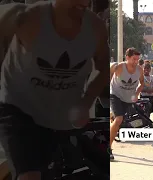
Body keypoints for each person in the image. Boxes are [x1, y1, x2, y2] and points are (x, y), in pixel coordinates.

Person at [0, 1, 109, 180]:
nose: (84, 2)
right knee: (30, 174)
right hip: (16, 107)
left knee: (48, 171)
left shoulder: (95, 28)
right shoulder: (27, 19)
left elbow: (104, 68)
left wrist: (86, 101)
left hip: (54, 113)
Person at [109, 47, 144, 160]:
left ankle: (111, 116)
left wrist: (137, 93)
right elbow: (109, 72)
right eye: (133, 59)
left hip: (127, 99)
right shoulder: (119, 67)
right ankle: (108, 148)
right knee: (119, 119)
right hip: (115, 95)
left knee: (118, 120)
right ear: (127, 58)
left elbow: (142, 83)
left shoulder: (139, 70)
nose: (135, 62)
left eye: (137, 60)